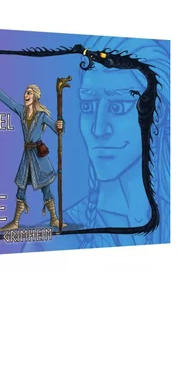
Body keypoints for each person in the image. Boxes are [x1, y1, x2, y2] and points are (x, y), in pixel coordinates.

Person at [65, 37, 170, 246]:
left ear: (157, 112)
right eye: (87, 106)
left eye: (117, 107)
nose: (98, 129)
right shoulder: (57, 241)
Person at [0, 67, 65, 230]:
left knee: (46, 186)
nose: (26, 95)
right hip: (27, 156)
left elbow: (57, 129)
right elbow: (6, 100)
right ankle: (15, 222)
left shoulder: (42, 116)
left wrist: (60, 125)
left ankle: (54, 219)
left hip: (39, 156)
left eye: (29, 93)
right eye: (25, 92)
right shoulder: (21, 111)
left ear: (35, 96)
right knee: (21, 187)